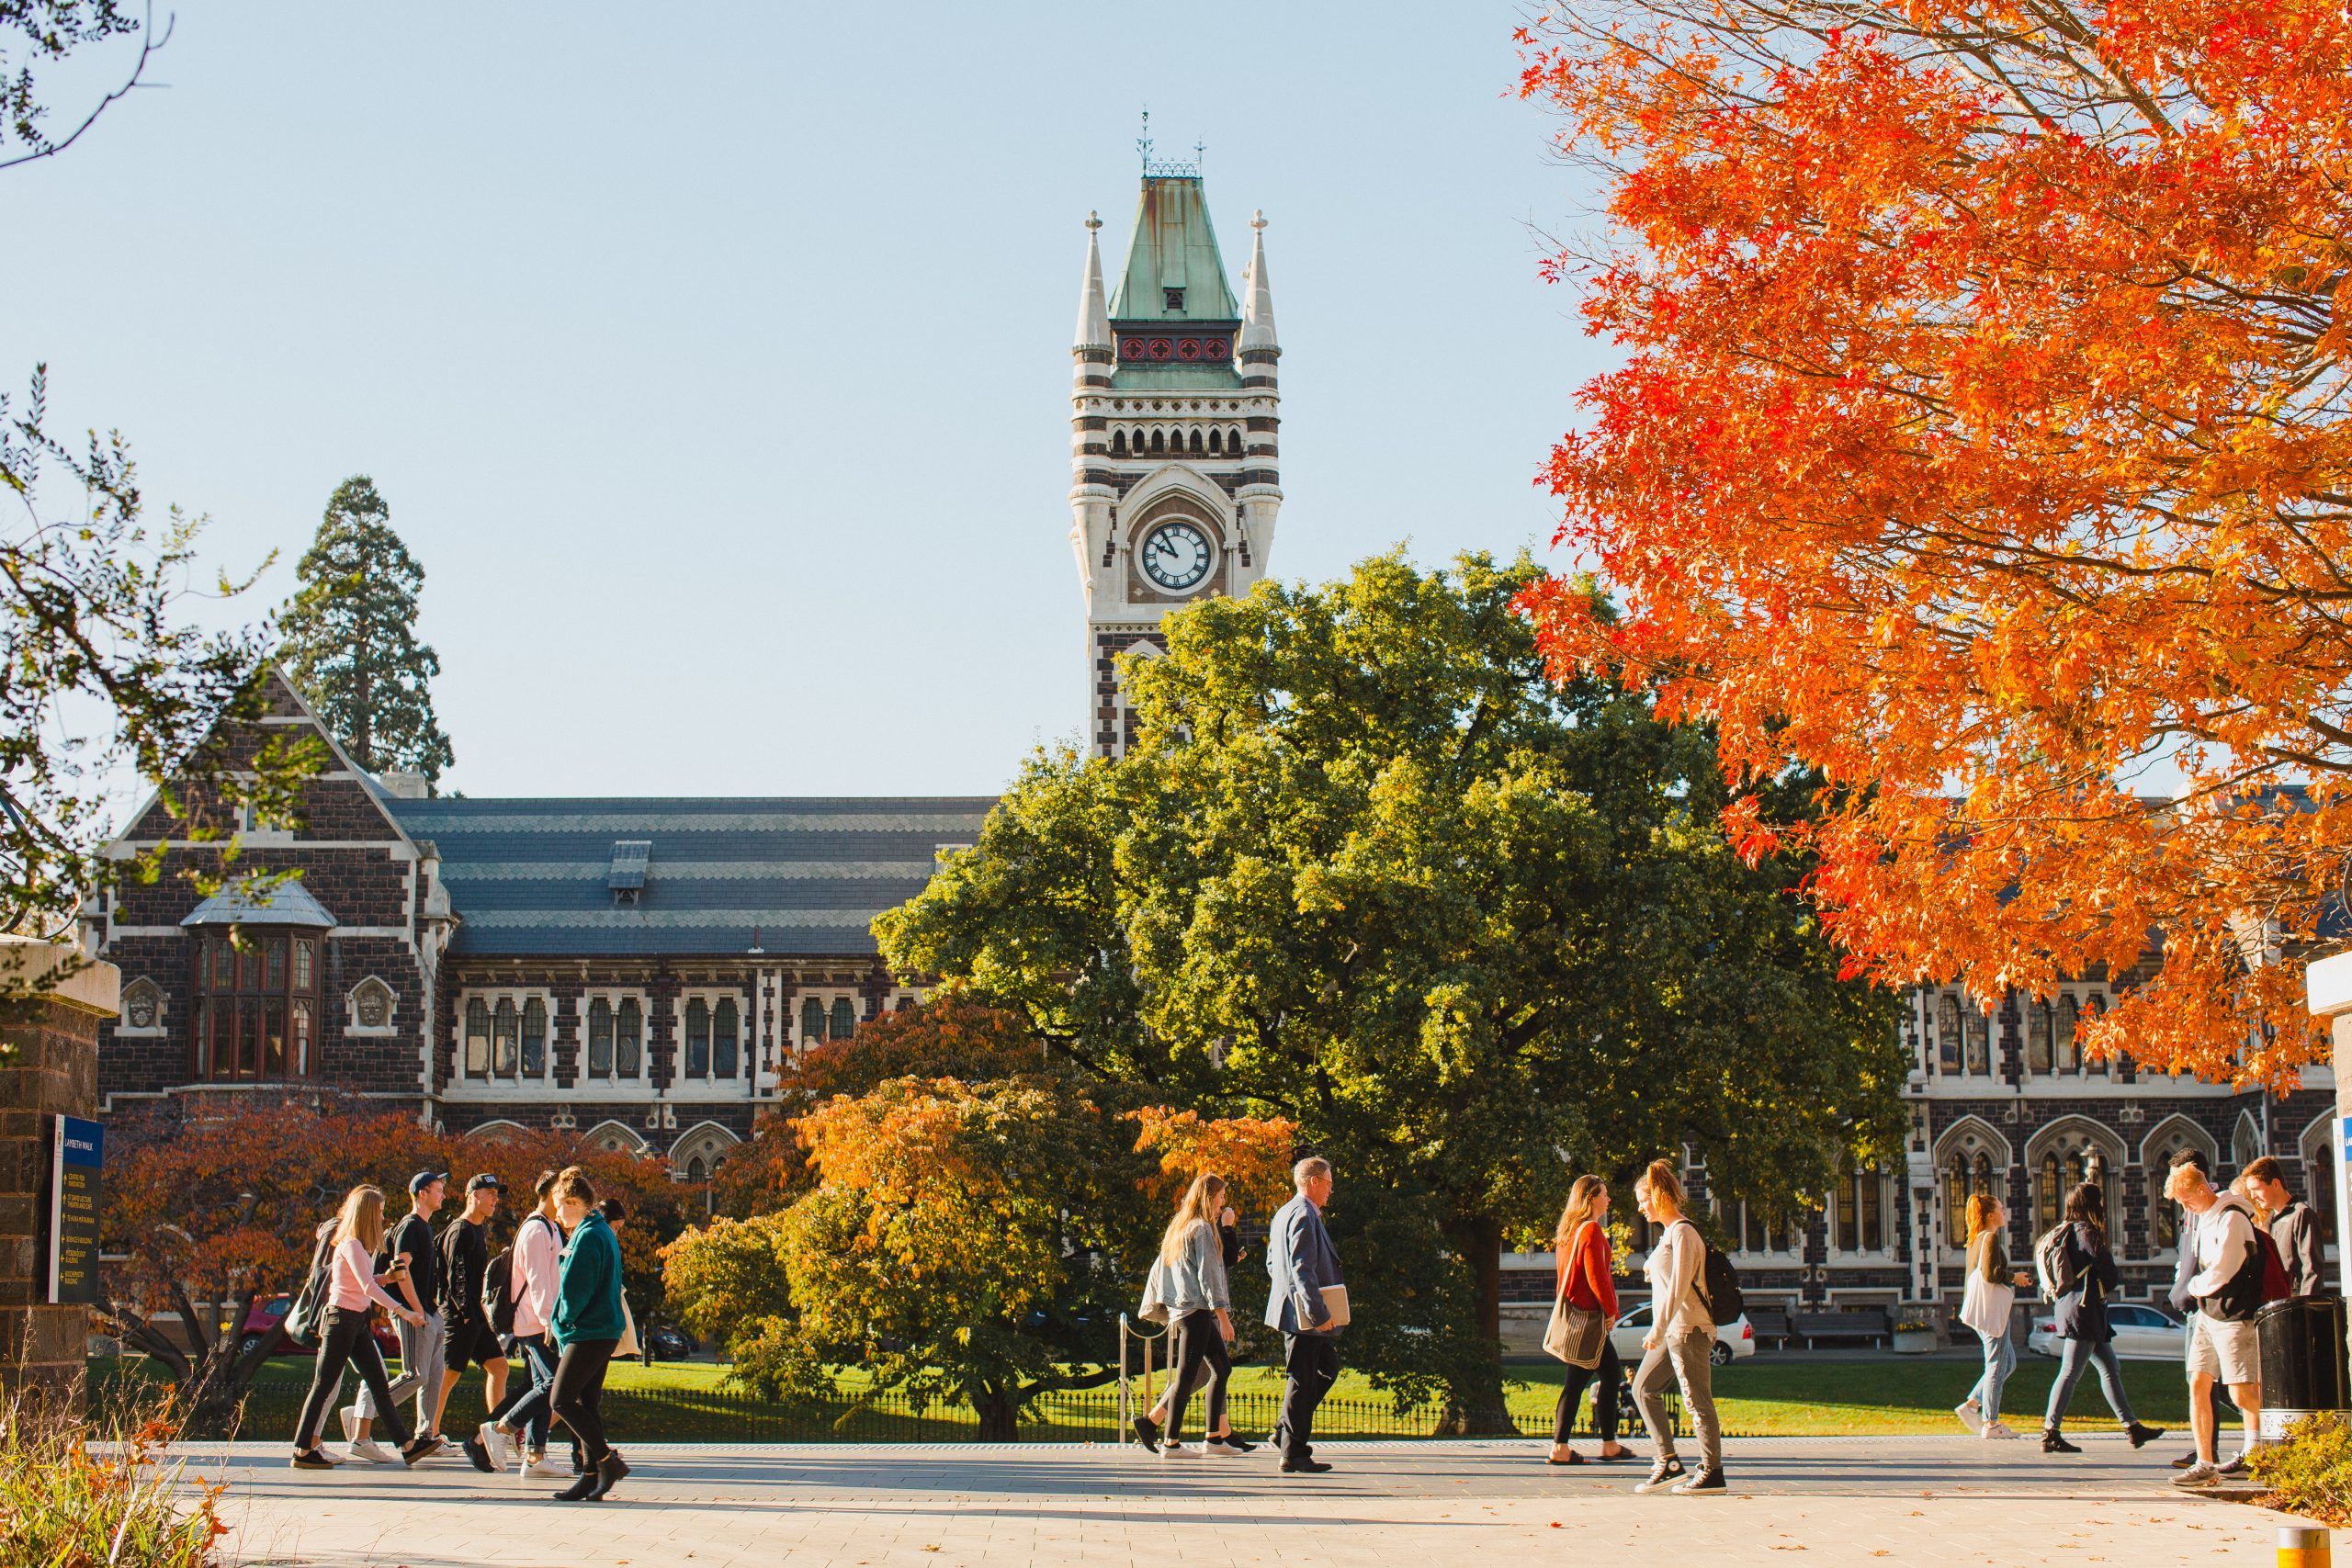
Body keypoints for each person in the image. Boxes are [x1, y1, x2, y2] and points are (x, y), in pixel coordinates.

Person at [291, 1186, 437, 1469]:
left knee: (379, 1385)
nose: (383, 1218)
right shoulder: (350, 1244)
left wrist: (388, 1278)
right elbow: (366, 1287)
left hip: (356, 1321)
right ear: (368, 1213)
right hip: (340, 1321)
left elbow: (366, 1281)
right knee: (323, 1385)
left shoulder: (358, 1246)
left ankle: (407, 1446)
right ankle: (301, 1449)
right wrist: (405, 1312)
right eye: (380, 1212)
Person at [2040, 1181, 2165, 1453]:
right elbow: (2109, 1273)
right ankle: (2050, 1432)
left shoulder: (2064, 1232)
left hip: (2077, 1308)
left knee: (2110, 1368)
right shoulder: (2087, 1232)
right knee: (2070, 1372)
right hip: (2085, 1310)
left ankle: (2132, 1427)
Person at [1627, 1160, 1724, 1495]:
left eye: (1643, 1200)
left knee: (1697, 1399)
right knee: (1643, 1388)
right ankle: (1667, 1462)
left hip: (1689, 1330)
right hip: (1672, 1330)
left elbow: (1680, 1287)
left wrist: (1656, 1329)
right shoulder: (1668, 1234)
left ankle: (1712, 1472)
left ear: (1659, 1196)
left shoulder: (1683, 1232)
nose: (1640, 1208)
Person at [1133, 1191, 1251, 1455]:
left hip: (1191, 1308)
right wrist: (1223, 1317)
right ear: (1208, 1198)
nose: (1223, 1202)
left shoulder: (1185, 1225)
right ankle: (1170, 1441)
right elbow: (1209, 1276)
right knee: (1189, 1376)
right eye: (1220, 1196)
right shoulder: (1200, 1229)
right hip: (1195, 1310)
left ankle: (1214, 1438)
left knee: (1220, 1370)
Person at [2169, 1161, 2266, 1485]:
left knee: (2241, 1392)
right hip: (2208, 1314)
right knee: (2198, 1382)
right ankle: (2205, 1462)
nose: (2186, 1208)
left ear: (2202, 1189)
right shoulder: (2205, 1219)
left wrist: (2192, 1287)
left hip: (2234, 1315)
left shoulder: (2232, 1218)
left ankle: (2264, 1446)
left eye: (2187, 1200)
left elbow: (2224, 1269)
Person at [345, 1170, 449, 1461]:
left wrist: (432, 1308)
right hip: (414, 1313)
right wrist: (415, 1310)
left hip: (430, 1311)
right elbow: (401, 1271)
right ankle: (362, 1418)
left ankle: (426, 1436)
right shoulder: (410, 1226)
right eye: (437, 1189)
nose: (443, 1194)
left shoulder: (426, 1228)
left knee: (434, 1377)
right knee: (415, 1376)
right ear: (421, 1194)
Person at [479, 1170, 568, 1478]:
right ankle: (500, 1428)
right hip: (534, 1322)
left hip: (540, 1319)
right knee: (554, 1383)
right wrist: (548, 1321)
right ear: (551, 1193)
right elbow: (538, 1280)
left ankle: (534, 1455)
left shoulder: (551, 1228)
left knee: (543, 1384)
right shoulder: (536, 1230)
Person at [549, 1166, 630, 1501]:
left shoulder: (588, 1236)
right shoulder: (599, 1231)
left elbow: (574, 1292)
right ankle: (590, 1473)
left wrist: (561, 1323)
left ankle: (605, 1460)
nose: (556, 1214)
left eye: (559, 1205)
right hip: (601, 1328)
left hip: (589, 1330)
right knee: (586, 1401)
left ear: (572, 1201)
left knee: (561, 1399)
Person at [1264, 1156, 1345, 1475]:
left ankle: (1285, 1431)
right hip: (1303, 1315)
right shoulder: (1302, 1214)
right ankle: (1293, 1452)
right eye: (1328, 1184)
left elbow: (1273, 1263)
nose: (1330, 1191)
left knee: (1327, 1369)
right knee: (1302, 1379)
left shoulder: (1285, 1212)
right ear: (1313, 1181)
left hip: (1295, 1309)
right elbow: (1302, 1268)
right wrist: (1316, 1312)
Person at [1547, 1175, 1634, 1465]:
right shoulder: (1591, 1231)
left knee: (1607, 1376)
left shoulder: (1568, 1232)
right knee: (1583, 1381)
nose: (1608, 1199)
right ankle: (1563, 1448)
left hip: (1576, 1318)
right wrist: (1611, 1311)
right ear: (1590, 1198)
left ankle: (1607, 1443)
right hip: (1589, 1320)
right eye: (1604, 1194)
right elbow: (1597, 1278)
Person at [2165, 1148, 2235, 1468]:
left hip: (2208, 1305)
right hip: (2194, 1305)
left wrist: (2191, 1290)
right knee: (2201, 1381)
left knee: (2216, 1383)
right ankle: (2206, 1450)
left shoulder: (2218, 1207)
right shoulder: (2193, 1208)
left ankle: (2219, 1447)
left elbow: (2215, 1262)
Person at [439, 1174, 509, 1463]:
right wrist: (466, 1313)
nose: (495, 1200)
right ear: (473, 1196)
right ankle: (428, 1433)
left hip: (476, 1317)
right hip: (460, 1317)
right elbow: (455, 1274)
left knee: (500, 1368)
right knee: (447, 1375)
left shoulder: (478, 1230)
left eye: (496, 1194)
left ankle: (498, 1432)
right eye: (490, 1194)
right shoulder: (461, 1230)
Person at [1954, 1192, 2031, 1440]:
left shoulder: (1977, 1239)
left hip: (1984, 1309)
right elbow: (1990, 1274)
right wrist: (2015, 1277)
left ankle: (1972, 1405)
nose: (2004, 1212)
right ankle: (1991, 1422)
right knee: (1997, 1364)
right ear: (1990, 1215)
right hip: (1991, 1310)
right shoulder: (1989, 1238)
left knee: (2007, 1362)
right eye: (2000, 1208)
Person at [2245, 1156, 2323, 1298]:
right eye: (2250, 1191)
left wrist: (2305, 1310)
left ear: (2275, 1184)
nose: (2253, 1196)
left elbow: (2312, 1269)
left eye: (2256, 1189)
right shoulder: (2270, 1220)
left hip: (2297, 1307)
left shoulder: (2302, 1214)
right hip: (2277, 1308)